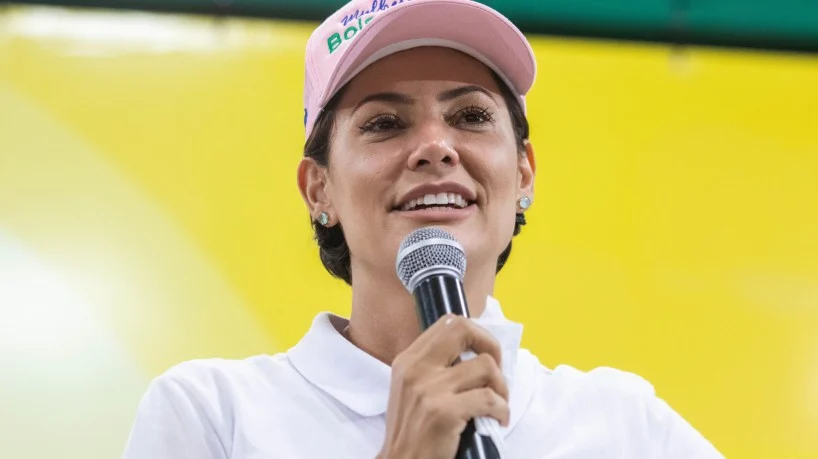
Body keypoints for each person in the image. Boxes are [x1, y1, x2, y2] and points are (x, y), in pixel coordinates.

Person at [122, 1, 724, 458]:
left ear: (523, 173)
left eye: (471, 116)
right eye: (385, 123)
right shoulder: (213, 415)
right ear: (319, 190)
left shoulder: (624, 426)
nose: (436, 146)